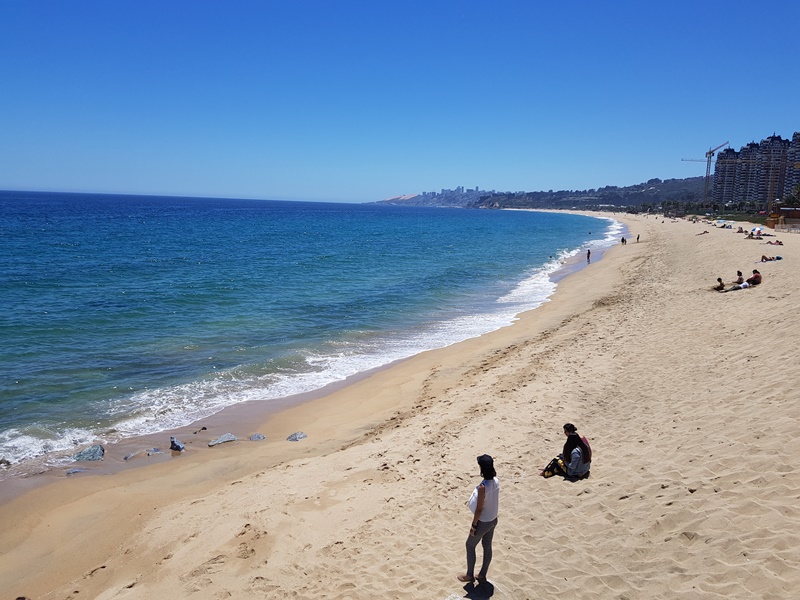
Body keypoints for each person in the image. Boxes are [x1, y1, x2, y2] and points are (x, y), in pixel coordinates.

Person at [458, 454, 500, 585]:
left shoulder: (483, 487)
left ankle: (469, 575)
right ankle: (482, 575)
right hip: (493, 520)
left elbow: (479, 509)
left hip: (483, 522)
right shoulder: (496, 481)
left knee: (470, 545)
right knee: (487, 547)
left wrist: (474, 525)